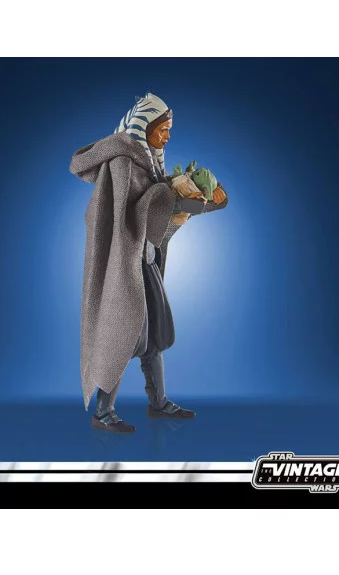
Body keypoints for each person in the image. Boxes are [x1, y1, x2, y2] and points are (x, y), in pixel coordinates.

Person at [69, 92, 228, 433]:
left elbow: (159, 216)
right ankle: (103, 412)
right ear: (144, 127)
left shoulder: (150, 165)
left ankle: (158, 403)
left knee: (154, 333)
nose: (167, 136)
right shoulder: (122, 163)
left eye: (169, 129)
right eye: (163, 129)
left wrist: (207, 200)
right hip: (123, 264)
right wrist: (174, 200)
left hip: (145, 260)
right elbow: (125, 216)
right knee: (123, 334)